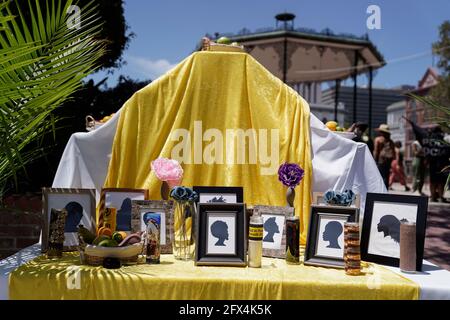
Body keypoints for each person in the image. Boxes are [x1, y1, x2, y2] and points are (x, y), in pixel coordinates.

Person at [373, 124, 395, 189]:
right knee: (386, 176)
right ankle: (385, 191)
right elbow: (393, 152)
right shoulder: (391, 141)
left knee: (380, 176)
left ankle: (380, 191)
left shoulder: (378, 140)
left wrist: (375, 161)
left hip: (381, 160)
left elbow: (376, 151)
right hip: (388, 161)